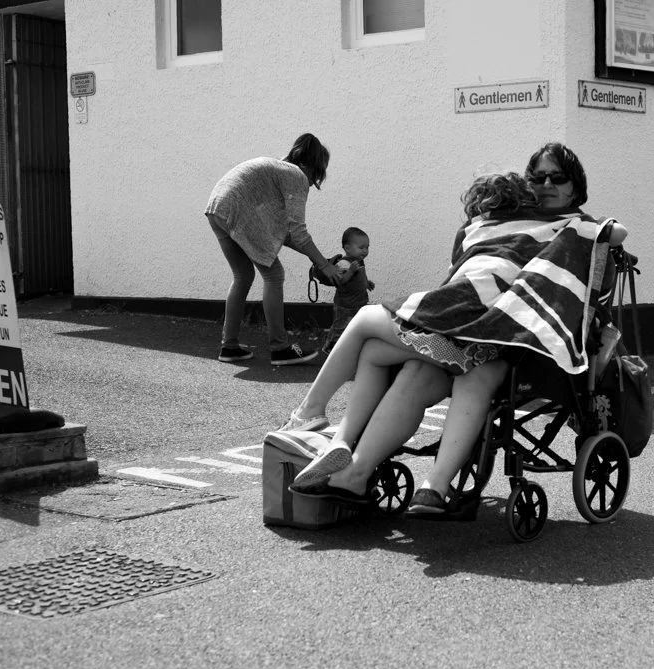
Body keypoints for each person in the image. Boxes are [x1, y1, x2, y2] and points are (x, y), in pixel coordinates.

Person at [284, 161, 627, 515]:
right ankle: (369, 473)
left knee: (369, 322)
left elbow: (611, 240)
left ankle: (314, 416)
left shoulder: (573, 227)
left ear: (576, 186)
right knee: (395, 360)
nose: (546, 185)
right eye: (537, 178)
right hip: (478, 336)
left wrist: (598, 229)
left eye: (557, 178)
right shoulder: (516, 227)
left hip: (494, 338)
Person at [205, 133, 342, 366]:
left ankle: (229, 347)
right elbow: (299, 233)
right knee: (274, 275)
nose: (314, 182)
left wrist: (321, 259)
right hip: (236, 209)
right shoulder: (296, 176)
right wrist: (324, 265)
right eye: (320, 173)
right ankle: (279, 348)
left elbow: (284, 235)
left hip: (217, 207)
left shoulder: (277, 171)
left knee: (243, 275)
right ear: (314, 167)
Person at [322, 227, 375, 354]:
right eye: (361, 247)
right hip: (345, 304)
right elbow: (340, 282)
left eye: (367, 247)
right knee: (340, 325)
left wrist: (366, 283)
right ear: (347, 248)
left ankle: (351, 345)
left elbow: (361, 275)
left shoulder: (359, 261)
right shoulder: (343, 264)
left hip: (359, 301)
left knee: (355, 325)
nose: (365, 250)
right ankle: (330, 346)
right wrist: (350, 271)